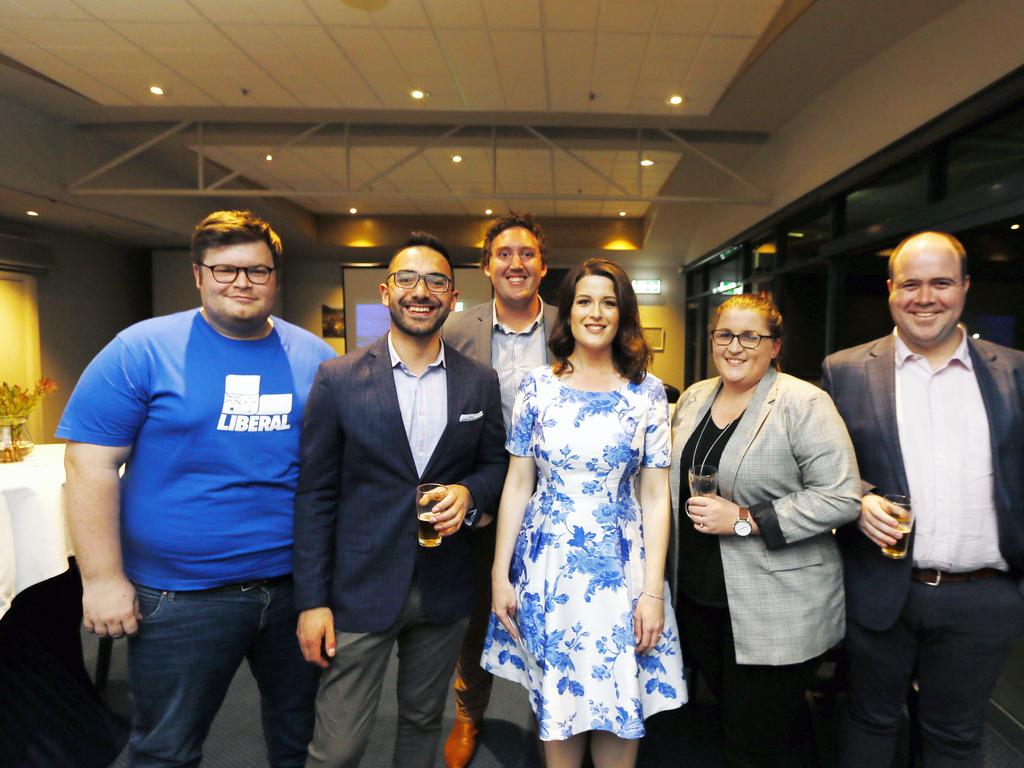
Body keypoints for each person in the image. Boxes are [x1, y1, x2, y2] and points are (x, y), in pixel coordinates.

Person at [57, 210, 335, 768]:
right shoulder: (140, 350)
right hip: (179, 598)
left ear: (275, 277)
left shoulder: (316, 358)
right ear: (198, 275)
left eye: (257, 271)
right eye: (225, 269)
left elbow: (333, 467)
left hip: (292, 592)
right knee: (165, 748)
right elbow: (89, 464)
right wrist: (103, 579)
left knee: (298, 740)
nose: (242, 283)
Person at [293, 232, 508, 768]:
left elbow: (496, 465)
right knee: (336, 747)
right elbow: (315, 495)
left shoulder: (480, 382)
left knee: (420, 724)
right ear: (387, 291)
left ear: (452, 297)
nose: (422, 291)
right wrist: (312, 601)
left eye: (436, 281)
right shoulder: (338, 379)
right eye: (408, 280)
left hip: (445, 585)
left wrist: (470, 494)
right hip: (359, 589)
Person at [822, 231, 1024, 767]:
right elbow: (822, 467)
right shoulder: (843, 371)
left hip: (983, 596)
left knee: (956, 737)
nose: (925, 297)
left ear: (964, 287)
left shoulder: (1015, 372)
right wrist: (858, 500)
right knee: (869, 720)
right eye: (910, 283)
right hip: (882, 590)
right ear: (891, 290)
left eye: (940, 282)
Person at [482, 257, 685, 768]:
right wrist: (498, 574)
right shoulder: (536, 387)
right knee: (559, 709)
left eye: (609, 302)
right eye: (585, 301)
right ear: (567, 312)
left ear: (624, 315)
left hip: (622, 570)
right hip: (547, 567)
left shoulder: (648, 393)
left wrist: (653, 591)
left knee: (620, 705)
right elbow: (518, 482)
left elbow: (657, 496)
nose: (596, 313)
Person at [671, 293, 860, 767]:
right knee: (739, 722)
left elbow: (841, 497)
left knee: (752, 741)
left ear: (774, 346)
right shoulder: (695, 396)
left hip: (776, 607)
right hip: (700, 601)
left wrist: (744, 519)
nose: (735, 346)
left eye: (750, 336)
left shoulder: (803, 403)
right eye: (724, 335)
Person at [441, 211, 558, 768]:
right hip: (486, 495)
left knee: (554, 615)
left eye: (527, 254)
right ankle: (469, 714)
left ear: (543, 265)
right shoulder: (457, 331)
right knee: (479, 614)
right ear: (487, 266)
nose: (516, 263)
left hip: (559, 500)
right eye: (504, 254)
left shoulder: (570, 324)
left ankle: (551, 721)